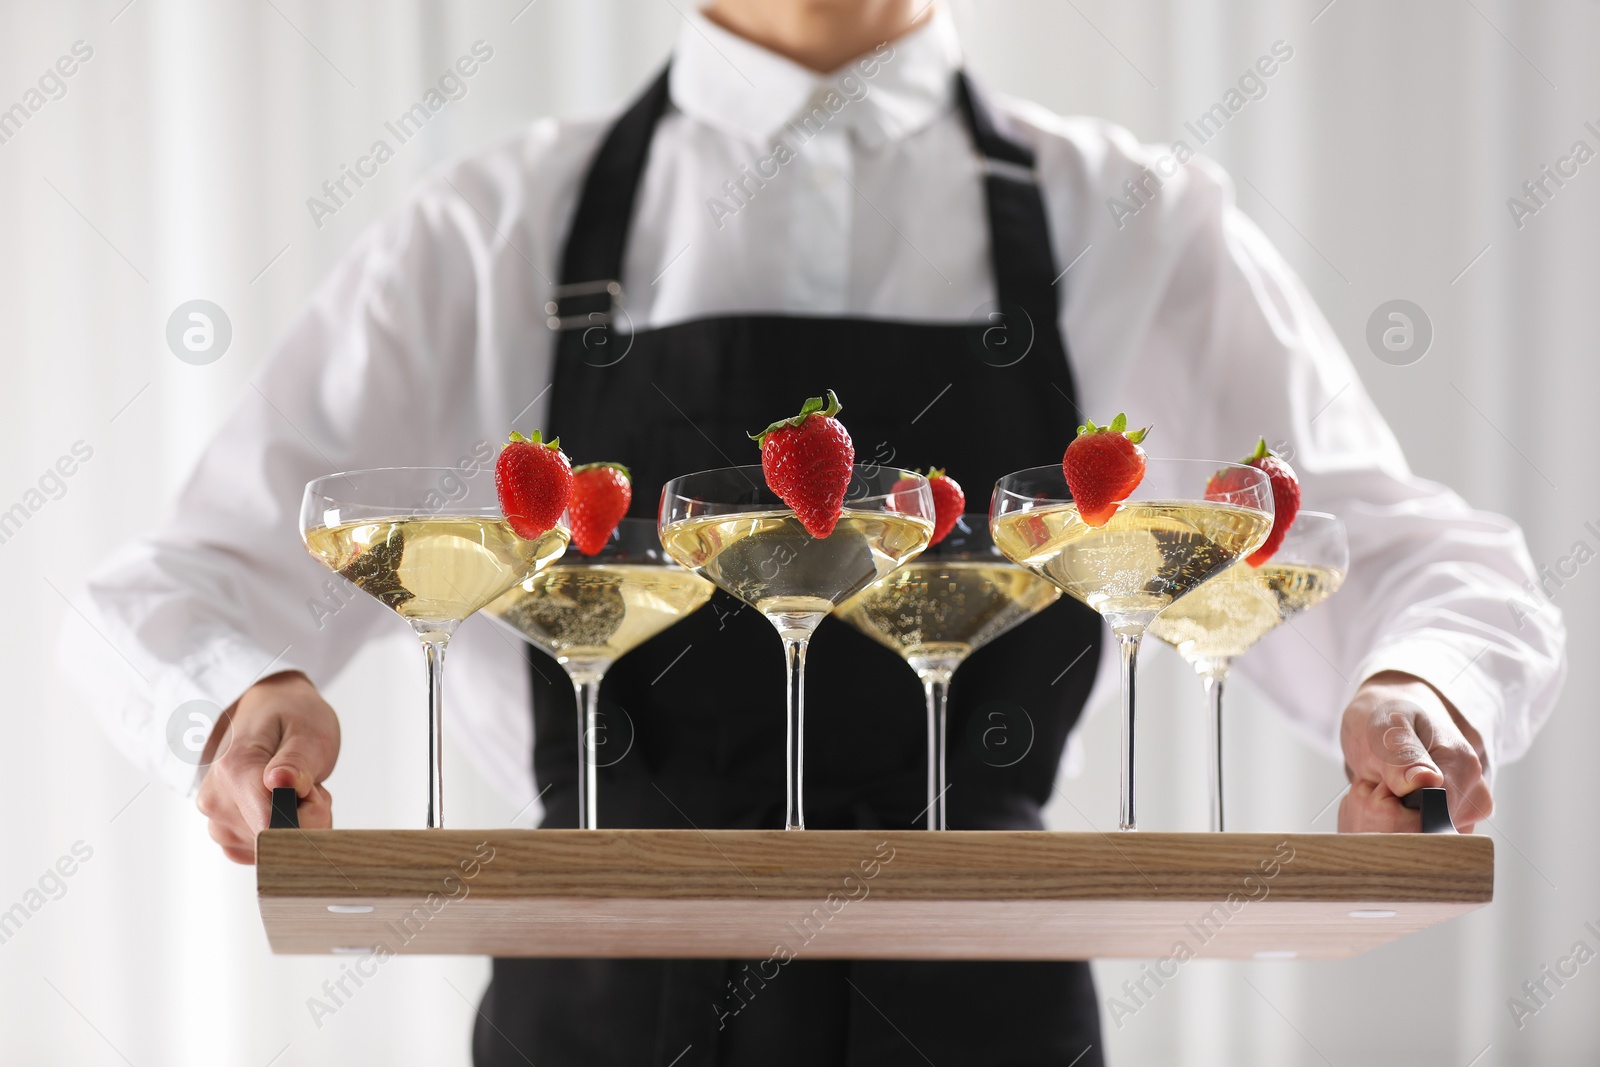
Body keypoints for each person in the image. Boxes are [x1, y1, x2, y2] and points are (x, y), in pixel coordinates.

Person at [64, 1, 1565, 1064]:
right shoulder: (495, 225)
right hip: (591, 1020)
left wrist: (1420, 687)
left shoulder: (1136, 216)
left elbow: (1400, 559)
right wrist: (245, 700)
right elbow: (195, 583)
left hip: (988, 1020)